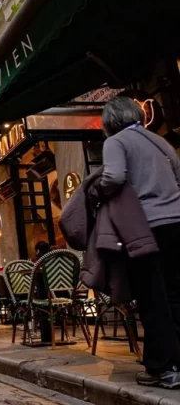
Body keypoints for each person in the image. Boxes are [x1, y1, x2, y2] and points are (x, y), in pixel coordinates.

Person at [94, 97, 180, 387]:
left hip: (146, 227)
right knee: (175, 296)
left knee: (152, 298)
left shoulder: (115, 142)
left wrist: (99, 191)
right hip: (177, 224)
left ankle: (163, 368)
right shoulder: (160, 142)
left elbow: (114, 176)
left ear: (109, 122)